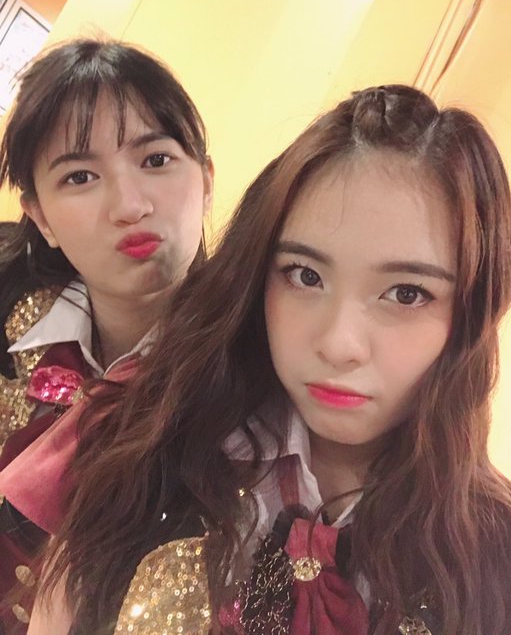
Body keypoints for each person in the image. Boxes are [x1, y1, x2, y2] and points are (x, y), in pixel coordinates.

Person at [29, 85, 511, 635]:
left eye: (406, 294)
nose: (338, 344)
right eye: (305, 276)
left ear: (473, 313)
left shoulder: (490, 561)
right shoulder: (148, 443)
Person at [0, 38, 213, 633]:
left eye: (156, 160)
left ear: (206, 179)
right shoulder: (14, 318)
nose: (129, 205)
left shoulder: (244, 377)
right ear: (41, 217)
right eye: (81, 176)